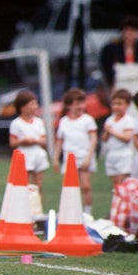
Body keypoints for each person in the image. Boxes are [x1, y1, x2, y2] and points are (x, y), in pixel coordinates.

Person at [52, 87, 98, 216]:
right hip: (69, 159)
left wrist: (88, 158)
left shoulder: (87, 120)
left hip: (84, 157)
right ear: (68, 105)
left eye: (82, 102)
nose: (80, 106)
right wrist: (56, 159)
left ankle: (87, 213)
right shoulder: (64, 121)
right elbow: (60, 141)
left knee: (86, 186)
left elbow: (93, 139)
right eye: (77, 103)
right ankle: (69, 213)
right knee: (70, 188)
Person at [9, 90, 49, 198]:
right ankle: (27, 207)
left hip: (38, 154)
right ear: (22, 107)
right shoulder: (16, 124)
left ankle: (38, 206)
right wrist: (23, 141)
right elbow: (12, 143)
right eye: (32, 104)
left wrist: (35, 141)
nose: (35, 106)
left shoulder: (39, 122)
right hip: (24, 155)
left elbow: (44, 141)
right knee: (25, 185)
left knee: (38, 185)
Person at [99, 15, 138, 90]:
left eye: (133, 31)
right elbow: (106, 69)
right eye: (127, 31)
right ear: (123, 32)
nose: (129, 34)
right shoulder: (111, 49)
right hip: (117, 84)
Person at [101, 88, 135, 187]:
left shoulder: (128, 120)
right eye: (114, 104)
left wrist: (112, 131)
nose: (116, 107)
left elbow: (127, 137)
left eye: (120, 104)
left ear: (127, 105)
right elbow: (104, 139)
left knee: (122, 183)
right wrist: (107, 132)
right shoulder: (110, 120)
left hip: (123, 154)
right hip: (112, 154)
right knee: (115, 184)